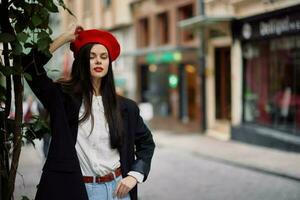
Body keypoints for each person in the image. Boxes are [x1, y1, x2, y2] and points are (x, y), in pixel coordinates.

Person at [22, 27, 155, 200]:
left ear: (109, 62)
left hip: (119, 191)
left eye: (103, 57)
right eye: (92, 57)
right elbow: (29, 66)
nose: (98, 61)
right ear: (82, 61)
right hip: (77, 190)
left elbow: (146, 143)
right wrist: (64, 38)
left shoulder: (126, 107)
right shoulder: (63, 100)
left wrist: (134, 175)